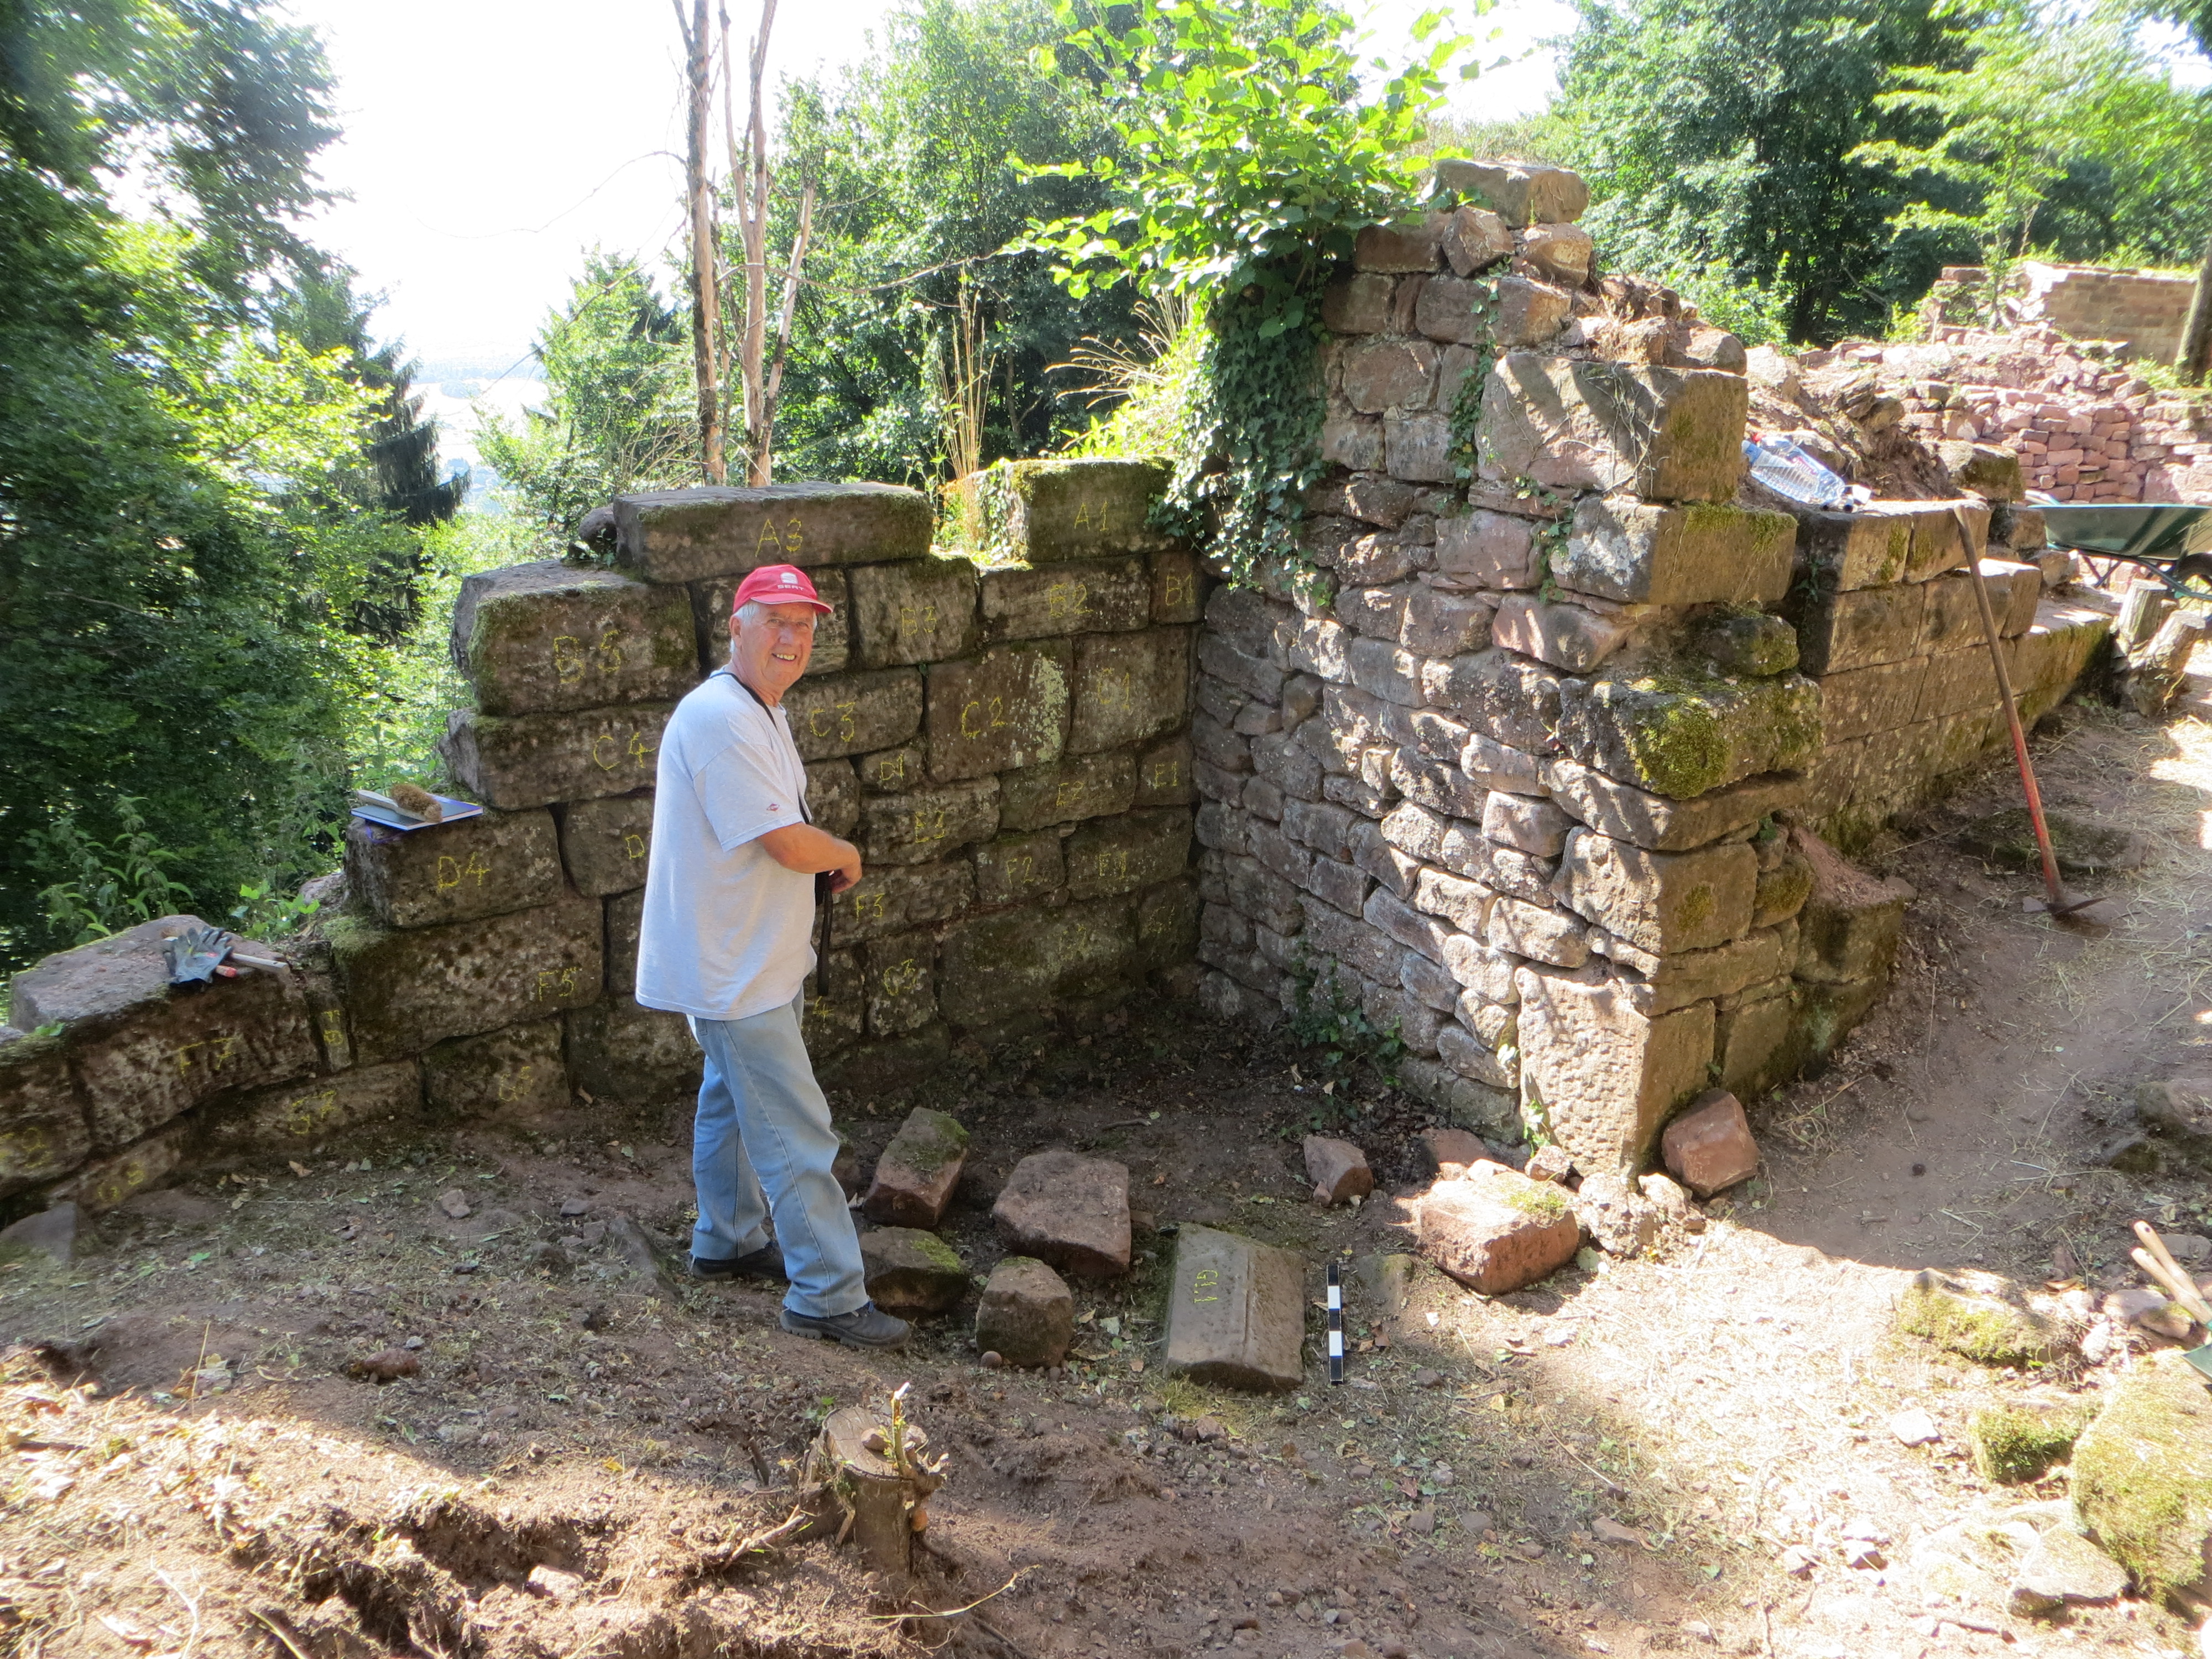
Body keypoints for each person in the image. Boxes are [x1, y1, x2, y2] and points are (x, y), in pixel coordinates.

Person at [634, 563, 910, 1350]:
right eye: (775, 621)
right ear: (737, 627)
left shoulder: (756, 708)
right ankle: (826, 1294)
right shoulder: (722, 717)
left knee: (731, 1099)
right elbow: (786, 842)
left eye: (804, 624)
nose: (792, 638)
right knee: (796, 1130)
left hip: (751, 955)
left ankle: (726, 1239)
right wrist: (844, 852)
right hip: (736, 970)